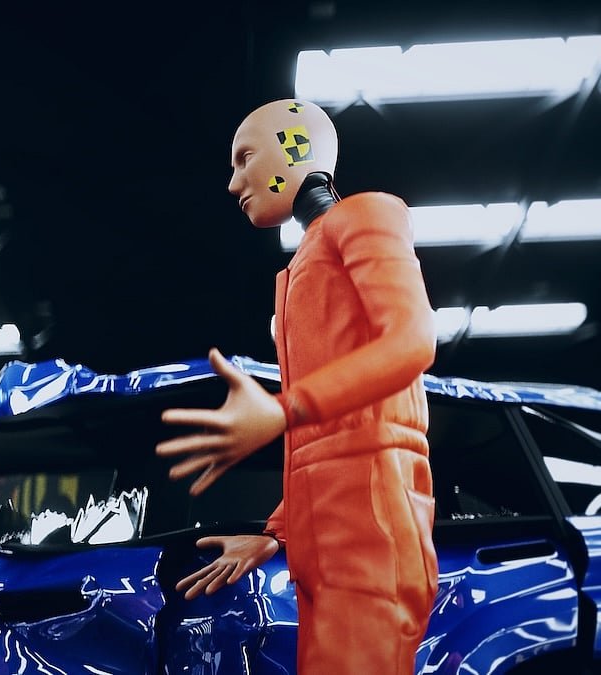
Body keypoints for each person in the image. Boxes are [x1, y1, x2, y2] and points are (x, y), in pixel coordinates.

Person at [156, 99, 438, 674]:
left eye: (245, 158)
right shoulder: (297, 273)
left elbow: (412, 340)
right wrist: (278, 533)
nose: (234, 182)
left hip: (371, 523)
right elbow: (323, 441)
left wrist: (287, 408)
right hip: (325, 539)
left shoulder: (367, 215)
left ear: (295, 147)